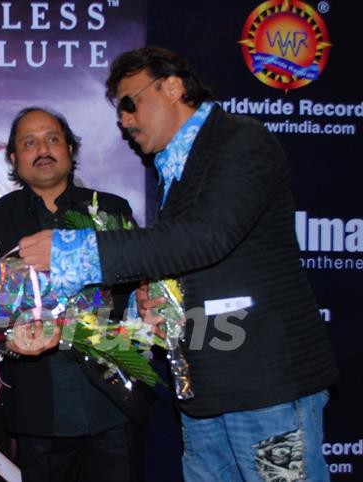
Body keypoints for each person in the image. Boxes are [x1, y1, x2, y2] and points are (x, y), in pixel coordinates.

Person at [17, 46, 339, 482]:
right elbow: (193, 264)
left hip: (266, 389)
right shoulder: (175, 169)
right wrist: (153, 304)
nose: (125, 122)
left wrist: (71, 251)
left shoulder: (241, 141)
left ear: (172, 87)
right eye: (120, 112)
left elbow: (207, 237)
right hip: (204, 393)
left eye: (130, 104)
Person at [0, 107, 146, 482]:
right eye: (29, 143)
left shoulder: (110, 209)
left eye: (53, 139)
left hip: (112, 400)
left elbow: (137, 288)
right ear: (13, 158)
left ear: (71, 149)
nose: (42, 149)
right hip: (39, 406)